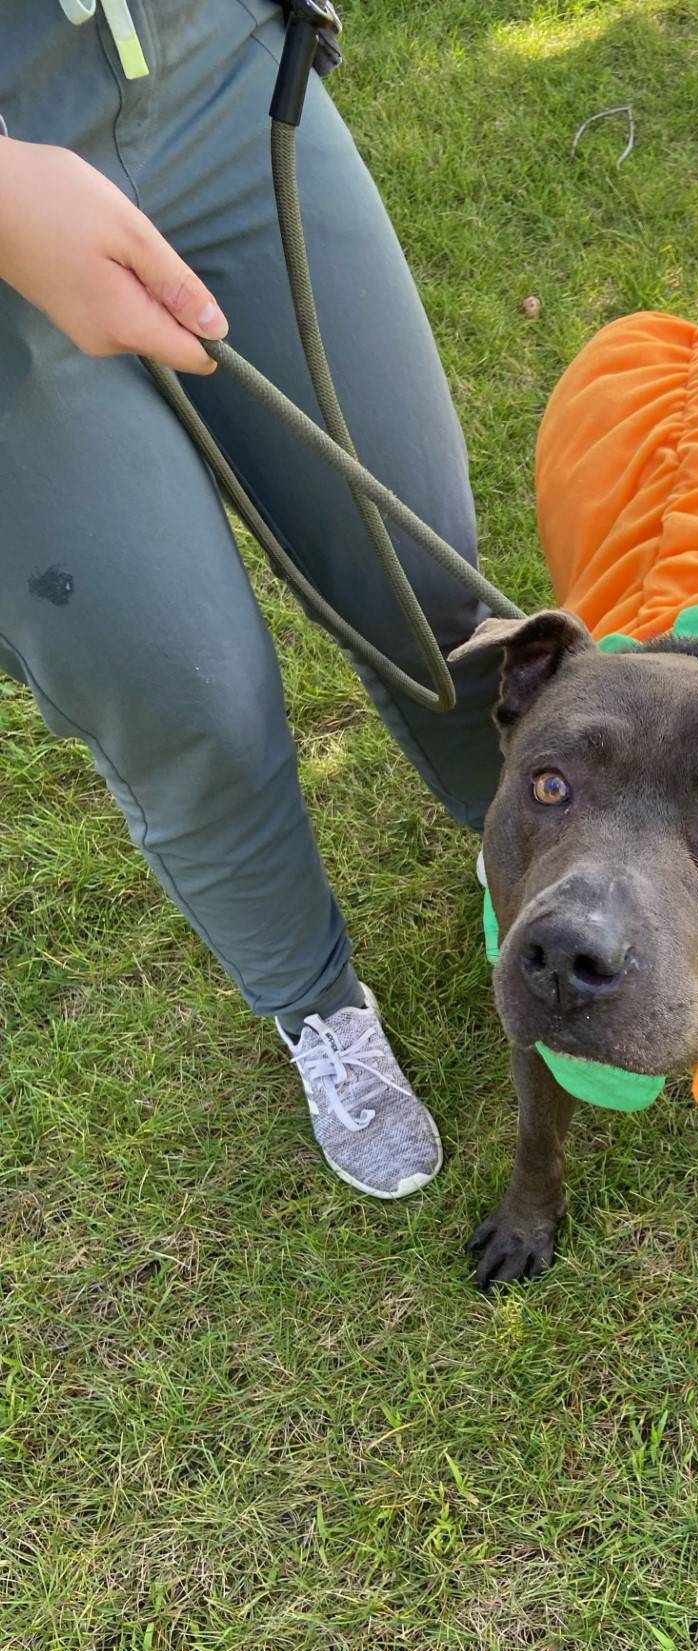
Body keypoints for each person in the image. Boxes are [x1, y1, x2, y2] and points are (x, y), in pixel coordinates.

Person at [0, 0, 505, 1199]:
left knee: (418, 570)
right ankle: (316, 1007)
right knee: (187, 696)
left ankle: (548, 853)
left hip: (216, 67)